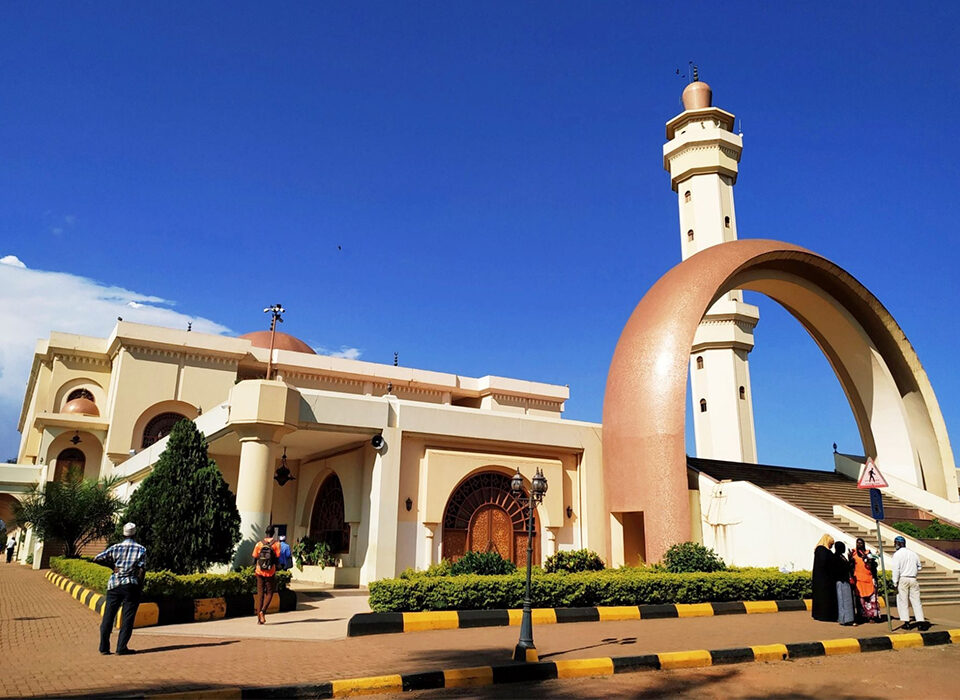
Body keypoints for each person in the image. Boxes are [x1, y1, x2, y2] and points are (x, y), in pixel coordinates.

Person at [93, 522, 146, 655]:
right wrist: (139, 585)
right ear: (135, 534)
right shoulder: (141, 549)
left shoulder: (115, 547)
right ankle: (121, 647)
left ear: (123, 534)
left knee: (108, 616)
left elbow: (97, 558)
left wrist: (112, 566)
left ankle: (104, 647)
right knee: (128, 617)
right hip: (130, 585)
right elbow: (141, 570)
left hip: (114, 585)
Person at [891, 535, 927, 630]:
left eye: (895, 543)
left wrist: (895, 583)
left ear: (898, 544)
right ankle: (920, 622)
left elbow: (896, 570)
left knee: (903, 601)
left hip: (903, 579)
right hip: (913, 578)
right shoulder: (913, 554)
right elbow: (919, 567)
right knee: (916, 601)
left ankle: (906, 622)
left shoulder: (897, 555)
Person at [252, 525, 282, 624]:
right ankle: (263, 611)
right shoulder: (276, 544)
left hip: (259, 571)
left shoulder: (259, 544)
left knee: (260, 594)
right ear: (273, 533)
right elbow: (277, 558)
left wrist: (254, 568)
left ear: (266, 532)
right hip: (270, 572)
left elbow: (255, 558)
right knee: (269, 593)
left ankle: (258, 619)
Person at [850, 537, 882, 623]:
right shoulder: (853, 554)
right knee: (860, 599)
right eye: (857, 543)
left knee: (870, 600)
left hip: (868, 579)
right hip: (858, 580)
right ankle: (862, 616)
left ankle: (872, 617)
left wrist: (867, 559)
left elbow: (872, 566)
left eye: (860, 543)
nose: (859, 545)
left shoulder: (868, 553)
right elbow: (851, 566)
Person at [811, 534, 837, 621]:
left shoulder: (819, 550)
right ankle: (825, 615)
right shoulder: (822, 550)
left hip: (821, 579)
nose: (831, 546)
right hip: (824, 580)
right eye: (831, 544)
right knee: (825, 598)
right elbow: (826, 564)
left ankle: (819, 614)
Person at [833, 541, 856, 626]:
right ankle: (845, 619)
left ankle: (848, 618)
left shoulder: (841, 556)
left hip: (845, 580)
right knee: (843, 600)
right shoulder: (836, 557)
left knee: (847, 600)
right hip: (841, 581)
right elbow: (841, 569)